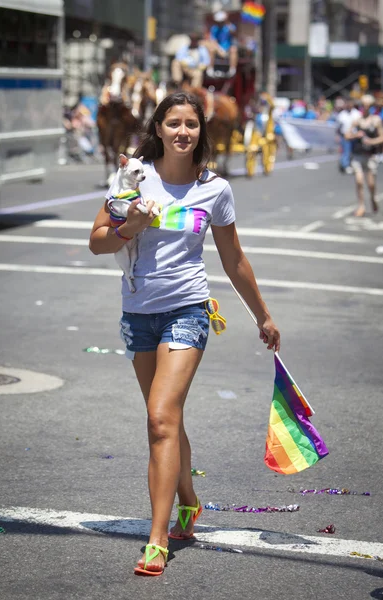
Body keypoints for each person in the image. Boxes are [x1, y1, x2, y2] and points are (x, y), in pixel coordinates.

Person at [89, 91, 280, 577]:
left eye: (190, 124)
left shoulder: (214, 189)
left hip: (188, 312)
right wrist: (129, 225)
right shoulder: (133, 176)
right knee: (167, 419)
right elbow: (96, 242)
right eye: (172, 123)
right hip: (138, 315)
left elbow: (234, 259)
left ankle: (158, 538)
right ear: (158, 128)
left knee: (158, 418)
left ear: (201, 131)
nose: (181, 132)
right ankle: (190, 500)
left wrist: (263, 315)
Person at [345, 94, 383, 217]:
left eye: (368, 106)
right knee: (359, 181)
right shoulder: (357, 121)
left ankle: (372, 198)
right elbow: (347, 135)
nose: (366, 108)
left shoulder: (376, 120)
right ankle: (361, 205)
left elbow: (381, 137)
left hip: (370, 155)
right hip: (358, 154)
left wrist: (371, 141)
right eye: (364, 106)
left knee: (371, 183)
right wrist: (356, 135)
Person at [206, 10, 238, 78]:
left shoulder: (230, 26)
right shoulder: (214, 28)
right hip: (218, 49)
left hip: (228, 49)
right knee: (211, 49)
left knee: (234, 50)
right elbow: (213, 41)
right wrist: (219, 50)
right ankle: (210, 69)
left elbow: (234, 33)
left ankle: (232, 70)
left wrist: (227, 22)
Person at [336, 98, 361, 174]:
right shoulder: (342, 114)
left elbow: (360, 126)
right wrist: (337, 135)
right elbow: (338, 127)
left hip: (354, 136)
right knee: (346, 151)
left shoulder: (357, 114)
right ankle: (345, 165)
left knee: (354, 152)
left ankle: (352, 164)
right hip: (345, 136)